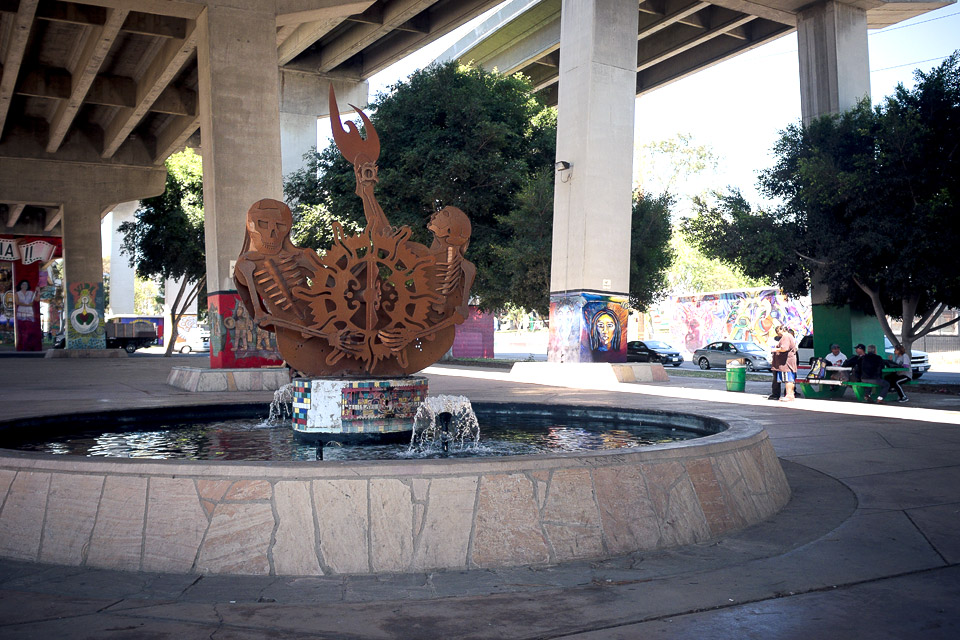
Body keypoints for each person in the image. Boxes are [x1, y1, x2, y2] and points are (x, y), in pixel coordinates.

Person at [770, 325, 798, 402]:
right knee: (790, 379)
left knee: (788, 379)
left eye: (778, 331)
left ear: (782, 330)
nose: (777, 333)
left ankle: (789, 395)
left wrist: (775, 349)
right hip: (789, 361)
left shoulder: (786, 337)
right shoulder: (790, 336)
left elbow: (784, 348)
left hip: (786, 362)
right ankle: (791, 395)